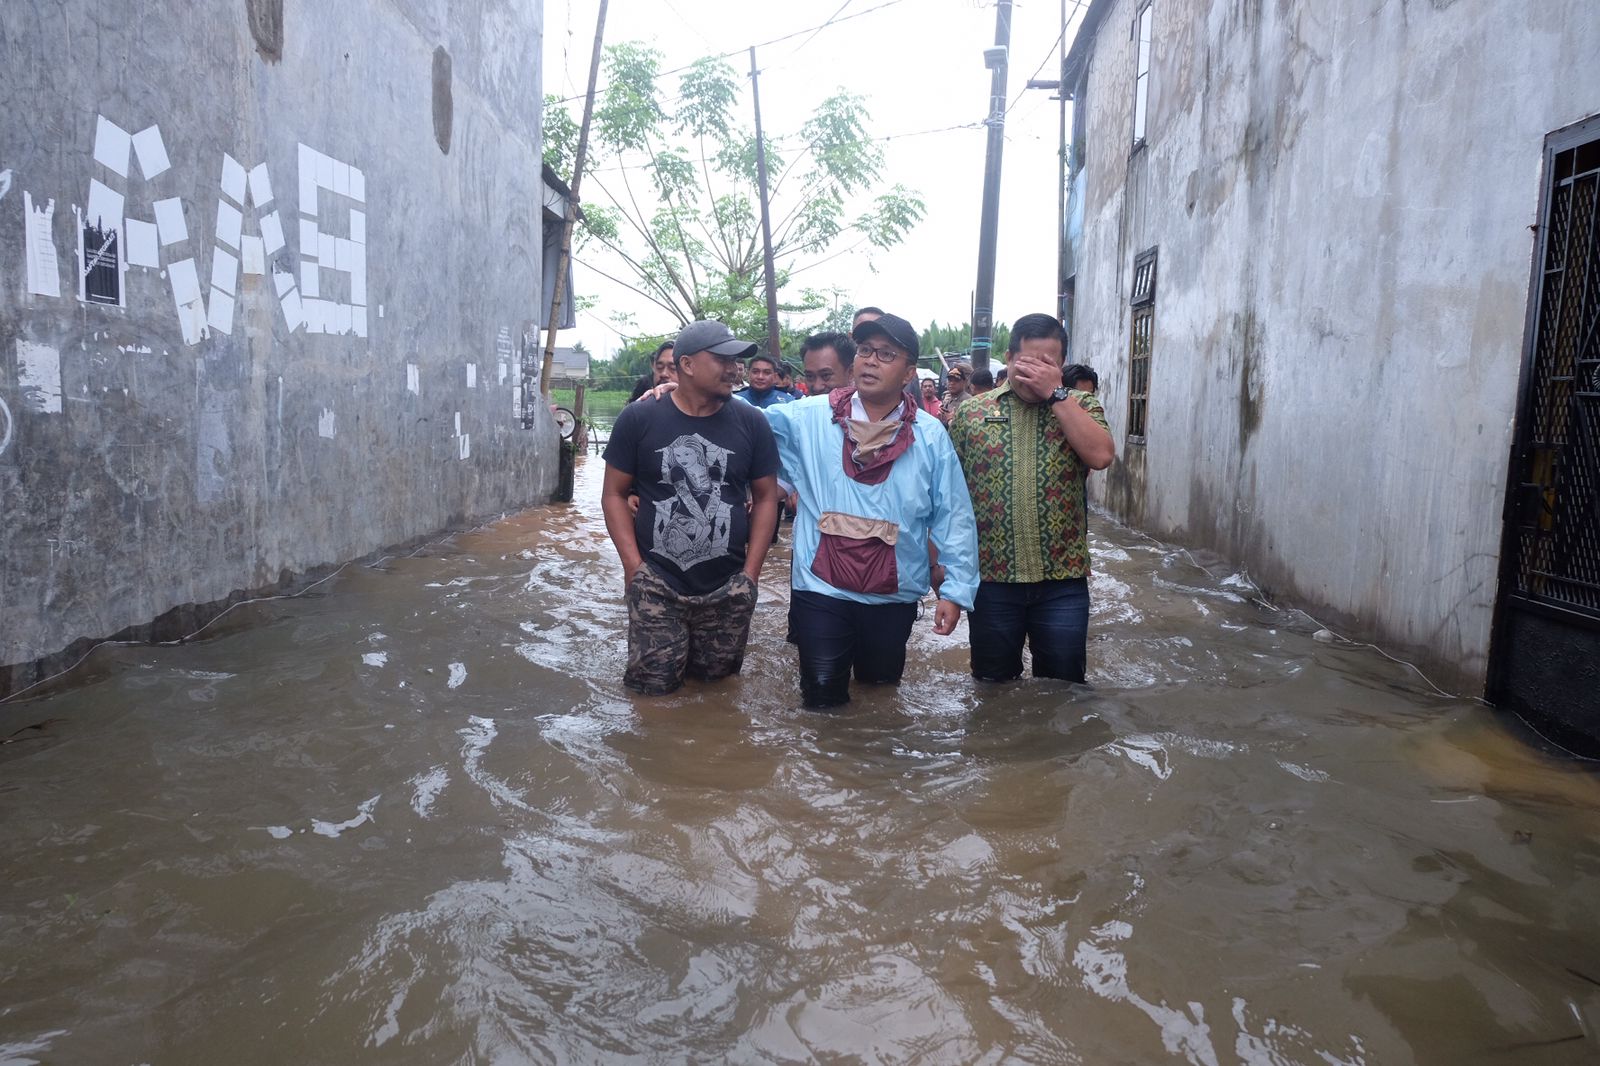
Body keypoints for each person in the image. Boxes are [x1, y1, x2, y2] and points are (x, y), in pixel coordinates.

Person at [765, 312, 979, 709]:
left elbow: (953, 516)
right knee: (821, 697)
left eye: (885, 353)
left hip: (892, 596)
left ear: (908, 372)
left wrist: (955, 591)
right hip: (820, 588)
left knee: (880, 695)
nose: (870, 360)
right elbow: (737, 422)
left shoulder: (930, 436)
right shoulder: (807, 416)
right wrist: (676, 395)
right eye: (864, 351)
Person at [601, 320, 781, 695]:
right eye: (723, 359)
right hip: (657, 584)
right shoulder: (639, 418)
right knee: (652, 694)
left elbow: (766, 497)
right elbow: (614, 494)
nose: (735, 368)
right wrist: (634, 570)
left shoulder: (752, 423)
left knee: (717, 695)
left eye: (737, 361)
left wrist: (750, 576)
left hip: (728, 588)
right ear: (686, 365)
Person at [948, 313, 1115, 684]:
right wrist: (946, 570)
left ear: (1060, 366)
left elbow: (1101, 457)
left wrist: (1056, 394)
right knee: (993, 687)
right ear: (1008, 359)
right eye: (1028, 362)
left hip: (1062, 582)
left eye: (1048, 364)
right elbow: (948, 498)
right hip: (991, 580)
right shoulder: (973, 413)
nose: (1037, 372)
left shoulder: (1081, 406)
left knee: (1064, 688)